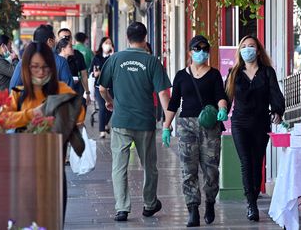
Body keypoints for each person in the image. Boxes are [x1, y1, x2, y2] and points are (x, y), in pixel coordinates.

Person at [0, 42, 85, 222]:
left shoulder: (61, 89)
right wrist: (32, 114)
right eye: (35, 67)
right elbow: (4, 119)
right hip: (24, 170)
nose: (40, 72)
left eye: (45, 67)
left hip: (53, 170)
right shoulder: (18, 93)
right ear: (26, 68)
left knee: (53, 221)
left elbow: (79, 114)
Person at [98, 22, 172, 222]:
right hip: (145, 121)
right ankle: (149, 204)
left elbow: (102, 88)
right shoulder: (152, 62)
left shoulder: (115, 59)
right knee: (149, 165)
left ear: (127, 37)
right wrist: (167, 121)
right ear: (145, 37)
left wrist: (109, 102)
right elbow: (164, 93)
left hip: (121, 120)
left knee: (119, 166)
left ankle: (122, 208)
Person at [162, 35, 228, 227]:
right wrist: (166, 127)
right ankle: (192, 209)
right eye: (197, 49)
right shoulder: (182, 75)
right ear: (190, 52)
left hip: (210, 126)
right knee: (188, 169)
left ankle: (209, 203)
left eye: (205, 49)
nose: (201, 52)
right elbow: (174, 103)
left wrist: (222, 109)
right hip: (186, 126)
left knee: (211, 169)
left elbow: (220, 95)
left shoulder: (214, 74)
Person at [224, 35, 285, 222]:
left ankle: (254, 195)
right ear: (240, 51)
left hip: (260, 123)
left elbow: (276, 94)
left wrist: (277, 111)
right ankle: (251, 204)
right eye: (244, 46)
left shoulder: (267, 72)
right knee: (245, 161)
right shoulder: (234, 72)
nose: (248, 49)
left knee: (257, 161)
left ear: (258, 51)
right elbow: (226, 98)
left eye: (251, 46)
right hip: (239, 123)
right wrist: (219, 111)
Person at [9, 24, 74, 89]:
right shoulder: (60, 61)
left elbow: (13, 88)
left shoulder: (24, 61)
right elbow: (69, 89)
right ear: (49, 41)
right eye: (54, 39)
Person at [57, 28, 91, 106]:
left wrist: (87, 92)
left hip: (76, 90)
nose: (67, 39)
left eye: (69, 37)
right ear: (58, 38)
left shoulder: (77, 54)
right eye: (64, 37)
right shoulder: (53, 55)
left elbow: (84, 75)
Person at [90, 37, 114, 138]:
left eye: (110, 43)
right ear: (102, 44)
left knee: (111, 108)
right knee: (103, 107)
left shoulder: (114, 57)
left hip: (111, 87)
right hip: (98, 87)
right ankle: (102, 131)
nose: (108, 44)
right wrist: (94, 74)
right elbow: (91, 71)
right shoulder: (97, 57)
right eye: (106, 43)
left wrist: (113, 55)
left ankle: (105, 124)